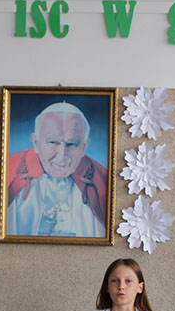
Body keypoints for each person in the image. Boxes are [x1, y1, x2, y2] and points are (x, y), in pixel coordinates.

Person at [6, 102, 108, 237]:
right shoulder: (7, 171)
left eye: (71, 144)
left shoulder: (103, 179)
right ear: (36, 142)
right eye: (53, 143)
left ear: (84, 147)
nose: (61, 155)